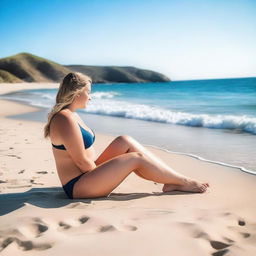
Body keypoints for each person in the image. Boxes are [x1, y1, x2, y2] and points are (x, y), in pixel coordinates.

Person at [44, 72, 209, 199]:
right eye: (88, 92)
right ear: (77, 93)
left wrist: (106, 172)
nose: (90, 97)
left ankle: (173, 182)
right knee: (135, 158)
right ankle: (184, 182)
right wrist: (106, 174)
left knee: (124, 140)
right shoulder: (64, 118)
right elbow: (81, 161)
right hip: (78, 186)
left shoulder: (70, 115)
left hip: (86, 175)